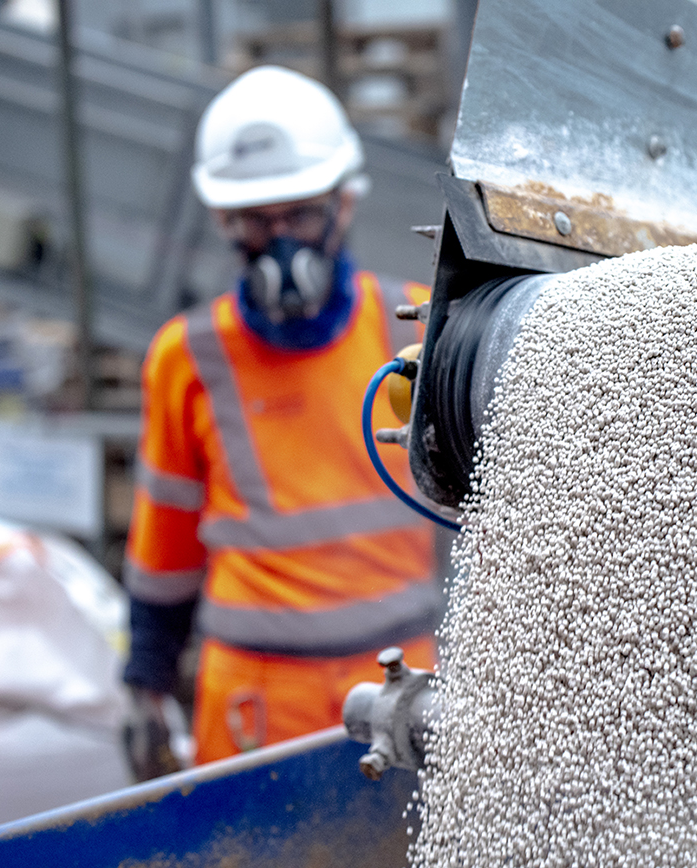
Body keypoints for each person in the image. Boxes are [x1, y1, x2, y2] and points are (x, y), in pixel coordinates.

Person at [121, 65, 440, 780]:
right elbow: (163, 546)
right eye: (257, 221)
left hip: (401, 690)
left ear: (344, 204)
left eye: (299, 216)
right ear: (223, 222)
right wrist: (145, 682)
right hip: (255, 708)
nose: (281, 241)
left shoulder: (416, 333)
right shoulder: (188, 357)